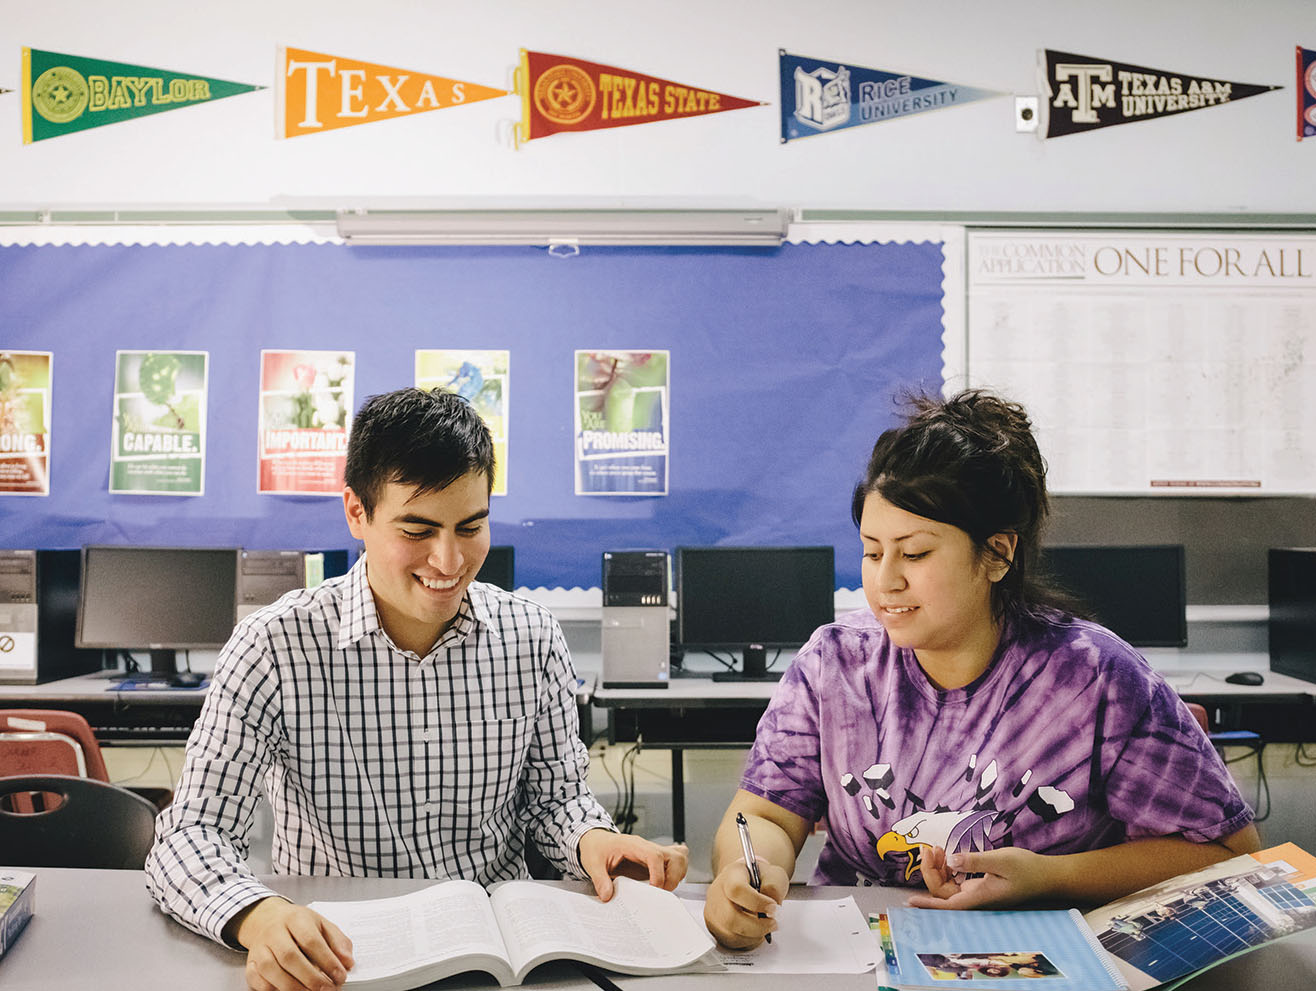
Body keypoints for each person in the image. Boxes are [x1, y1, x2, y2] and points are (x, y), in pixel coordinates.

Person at [147, 387, 687, 991]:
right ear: (357, 512)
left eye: (471, 526)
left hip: (498, 953)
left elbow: (555, 801)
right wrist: (258, 914)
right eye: (417, 529)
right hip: (340, 956)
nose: (449, 559)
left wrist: (594, 839)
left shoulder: (531, 636)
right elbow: (191, 835)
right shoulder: (273, 646)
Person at [703, 389, 1258, 949]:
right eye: (872, 552)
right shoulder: (836, 664)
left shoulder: (1094, 677)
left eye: (914, 553)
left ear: (997, 553)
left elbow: (1230, 854)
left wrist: (1049, 877)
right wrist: (747, 875)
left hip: (1038, 960)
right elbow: (764, 817)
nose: (886, 580)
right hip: (855, 953)